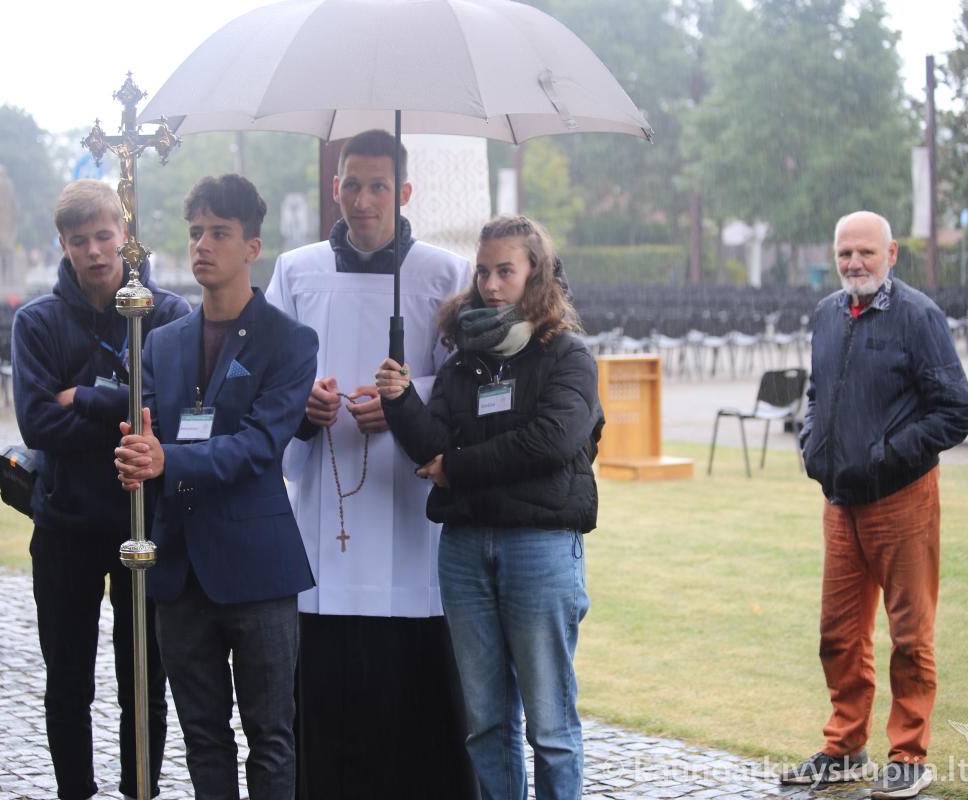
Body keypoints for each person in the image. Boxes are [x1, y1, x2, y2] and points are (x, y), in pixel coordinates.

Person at [264, 129, 475, 798]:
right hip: (325, 499)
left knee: (413, 696)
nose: (363, 200)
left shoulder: (444, 274)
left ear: (403, 191)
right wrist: (304, 402)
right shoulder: (296, 271)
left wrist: (408, 401)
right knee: (325, 692)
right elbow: (270, 374)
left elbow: (464, 385)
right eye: (352, 184)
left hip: (407, 504)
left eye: (378, 186)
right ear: (335, 188)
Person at [376, 215, 603, 800]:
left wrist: (457, 468)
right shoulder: (464, 362)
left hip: (540, 548)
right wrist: (401, 402)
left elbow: (550, 442)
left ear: (536, 274)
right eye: (483, 271)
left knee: (550, 725)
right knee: (486, 723)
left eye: (506, 270)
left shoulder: (569, 355)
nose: (491, 284)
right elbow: (433, 448)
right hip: (466, 549)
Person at [113, 174, 318, 800]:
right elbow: (144, 426)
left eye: (219, 233)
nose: (202, 245)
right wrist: (135, 453)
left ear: (252, 247)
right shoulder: (160, 340)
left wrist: (164, 461)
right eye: (196, 232)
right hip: (178, 571)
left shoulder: (290, 341)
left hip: (258, 572)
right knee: (203, 738)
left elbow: (260, 446)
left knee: (271, 737)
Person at [780, 211, 968, 799]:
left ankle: (909, 754)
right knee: (838, 633)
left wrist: (885, 454)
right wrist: (813, 444)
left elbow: (956, 411)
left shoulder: (918, 316)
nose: (854, 263)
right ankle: (845, 747)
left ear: (891, 253)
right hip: (841, 501)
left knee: (909, 634)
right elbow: (818, 391)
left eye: (865, 252)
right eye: (845, 253)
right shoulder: (826, 314)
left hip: (902, 498)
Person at [11, 179, 189, 800]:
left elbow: (173, 412)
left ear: (125, 234)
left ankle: (141, 790)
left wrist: (85, 397)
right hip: (66, 525)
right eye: (79, 240)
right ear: (62, 244)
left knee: (144, 680)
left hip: (145, 521)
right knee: (67, 681)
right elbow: (38, 423)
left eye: (104, 236)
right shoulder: (37, 323)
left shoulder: (167, 315)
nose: (94, 251)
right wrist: (130, 416)